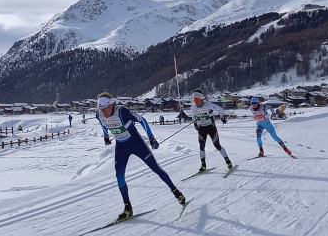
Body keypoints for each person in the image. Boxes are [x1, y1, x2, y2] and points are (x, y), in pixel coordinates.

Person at [95, 92, 186, 220]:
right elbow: (102, 123)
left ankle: (176, 192)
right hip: (121, 147)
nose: (102, 112)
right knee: (119, 176)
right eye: (100, 109)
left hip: (136, 143)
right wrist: (106, 136)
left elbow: (142, 120)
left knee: (156, 168)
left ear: (111, 104)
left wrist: (151, 137)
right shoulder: (99, 115)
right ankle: (128, 208)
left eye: (104, 108)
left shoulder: (122, 111)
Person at [189, 89, 233, 172]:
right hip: (201, 128)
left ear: (201, 99)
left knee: (217, 145)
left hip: (211, 127)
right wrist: (195, 124)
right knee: (201, 147)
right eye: (194, 100)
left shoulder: (208, 105)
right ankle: (203, 165)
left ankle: (228, 161)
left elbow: (220, 109)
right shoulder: (193, 107)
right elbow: (193, 116)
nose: (195, 102)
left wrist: (222, 117)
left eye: (197, 100)